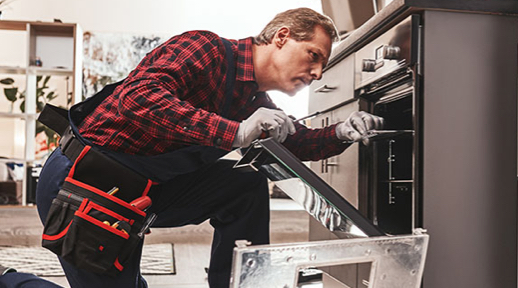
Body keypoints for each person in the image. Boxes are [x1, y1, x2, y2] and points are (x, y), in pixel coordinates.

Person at [0, 7, 383, 288]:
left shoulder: (252, 101)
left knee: (243, 186)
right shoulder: (206, 49)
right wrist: (234, 132)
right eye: (314, 56)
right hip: (84, 184)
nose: (317, 73)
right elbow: (138, 100)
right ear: (281, 37)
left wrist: (343, 132)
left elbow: (298, 142)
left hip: (142, 192)